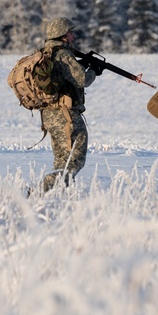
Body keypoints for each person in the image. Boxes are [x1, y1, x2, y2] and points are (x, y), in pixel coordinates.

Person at [39, 17, 98, 192]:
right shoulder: (64, 54)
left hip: (49, 115)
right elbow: (83, 79)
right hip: (65, 115)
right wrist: (94, 70)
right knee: (75, 159)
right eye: (71, 33)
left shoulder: (46, 52)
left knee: (62, 160)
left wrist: (82, 63)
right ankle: (42, 191)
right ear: (63, 35)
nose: (73, 37)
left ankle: (54, 196)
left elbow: (64, 75)